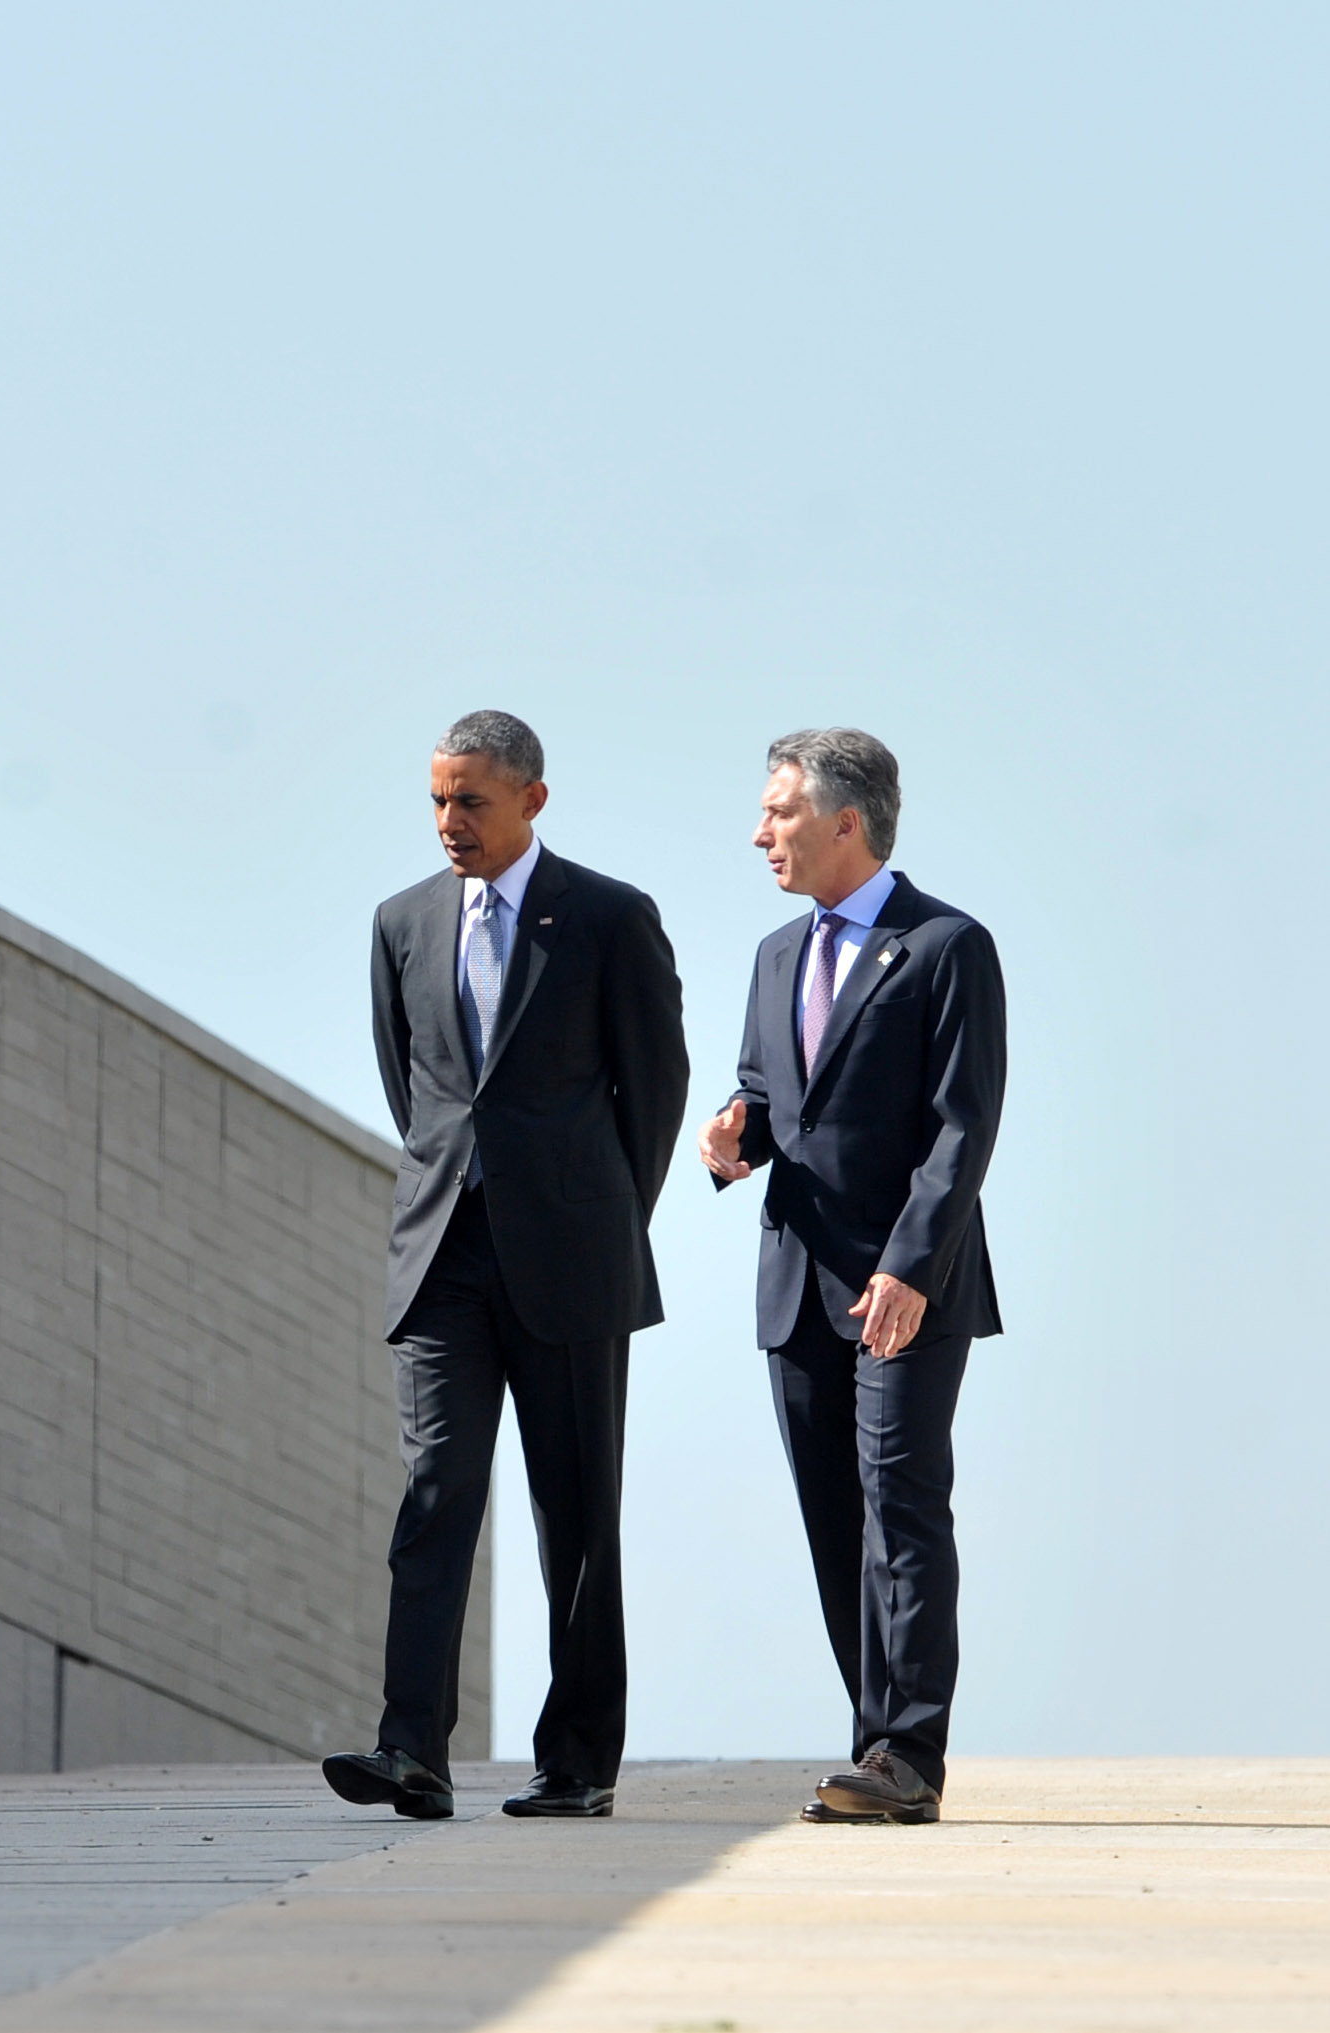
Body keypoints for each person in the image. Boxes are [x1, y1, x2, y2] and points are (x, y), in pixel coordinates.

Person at [323, 711, 688, 1821]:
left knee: (574, 1512)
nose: (449, 822)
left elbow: (654, 1094)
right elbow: (417, 1095)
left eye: (470, 800)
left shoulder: (612, 918)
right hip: (442, 1256)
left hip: (573, 1257)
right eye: (436, 798)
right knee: (435, 1492)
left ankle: (577, 1761)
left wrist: (598, 1216)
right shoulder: (400, 922)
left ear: (532, 797)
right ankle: (411, 1748)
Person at [697, 729, 1004, 1826]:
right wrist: (738, 1134)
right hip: (797, 1283)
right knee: (836, 1519)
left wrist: (910, 1265)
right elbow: (772, 1096)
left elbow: (960, 1129)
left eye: (776, 810)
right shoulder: (776, 953)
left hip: (905, 1287)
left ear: (844, 821)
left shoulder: (945, 946)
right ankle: (869, 1740)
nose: (757, 831)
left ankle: (907, 1753)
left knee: (901, 1508)